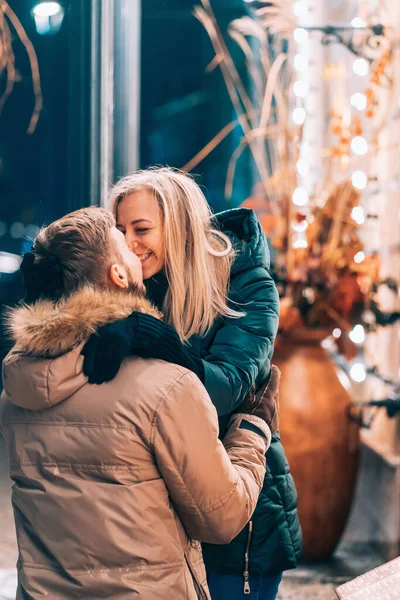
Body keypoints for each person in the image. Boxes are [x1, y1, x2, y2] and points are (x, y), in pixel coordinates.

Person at [0, 207, 280, 600]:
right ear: (118, 274)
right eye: (122, 240)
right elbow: (222, 517)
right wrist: (252, 428)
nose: (135, 248)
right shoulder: (165, 388)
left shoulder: (16, 392)